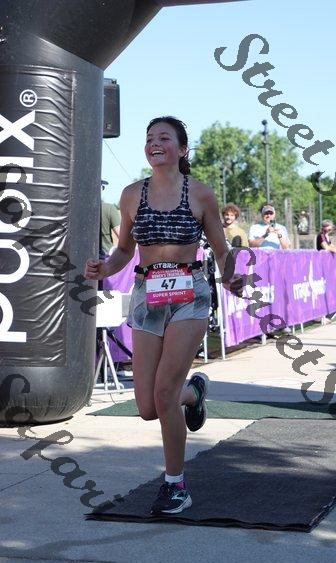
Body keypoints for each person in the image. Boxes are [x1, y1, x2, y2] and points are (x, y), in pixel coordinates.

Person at [85, 116, 241, 515]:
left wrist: (231, 277)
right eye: (150, 137)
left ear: (182, 149)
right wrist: (104, 267)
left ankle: (175, 485)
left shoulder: (200, 193)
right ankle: (195, 393)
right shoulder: (131, 195)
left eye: (164, 138)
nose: (155, 143)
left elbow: (220, 249)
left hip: (190, 294)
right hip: (147, 296)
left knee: (163, 394)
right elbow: (124, 250)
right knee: (147, 407)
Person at [100, 180, 121, 257]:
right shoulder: (109, 208)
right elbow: (123, 238)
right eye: (102, 187)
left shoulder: (75, 210)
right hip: (104, 258)